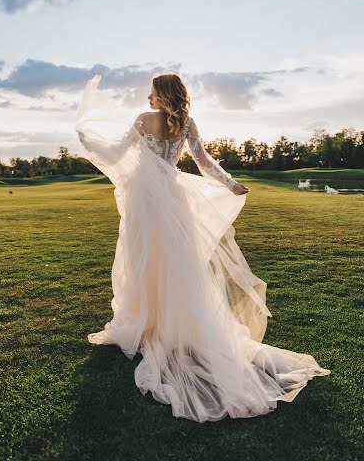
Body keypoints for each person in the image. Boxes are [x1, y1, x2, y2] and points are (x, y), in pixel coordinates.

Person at [75, 72, 331, 423]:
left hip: (146, 204)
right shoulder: (187, 124)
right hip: (172, 202)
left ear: (162, 94)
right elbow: (204, 162)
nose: (148, 97)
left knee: (145, 262)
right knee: (176, 265)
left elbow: (115, 153)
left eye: (152, 92)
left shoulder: (142, 120)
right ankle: (166, 324)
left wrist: (86, 137)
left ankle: (150, 325)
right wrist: (230, 182)